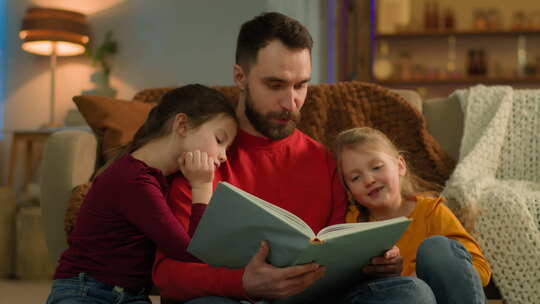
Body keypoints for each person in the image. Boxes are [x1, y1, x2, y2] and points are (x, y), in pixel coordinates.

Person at [153, 12, 436, 304]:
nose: (291, 103)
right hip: (234, 299)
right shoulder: (201, 158)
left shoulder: (326, 162)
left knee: (411, 293)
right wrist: (244, 283)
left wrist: (377, 265)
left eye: (300, 85)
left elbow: (340, 260)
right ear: (240, 77)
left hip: (315, 299)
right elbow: (167, 276)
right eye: (275, 86)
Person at [45, 84, 238, 304]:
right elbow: (191, 252)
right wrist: (202, 187)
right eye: (219, 140)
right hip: (84, 289)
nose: (223, 157)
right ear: (182, 125)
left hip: (132, 296)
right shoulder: (134, 180)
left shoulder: (164, 178)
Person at [334, 127, 492, 304]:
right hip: (397, 297)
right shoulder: (352, 223)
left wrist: (435, 276)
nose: (369, 180)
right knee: (413, 291)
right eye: (355, 178)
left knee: (437, 246)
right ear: (348, 190)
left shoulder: (431, 211)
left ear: (400, 166)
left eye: (377, 167)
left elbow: (482, 269)